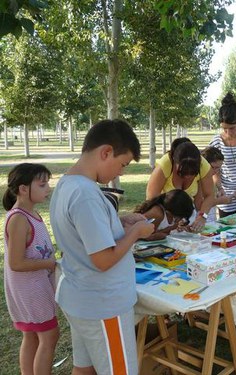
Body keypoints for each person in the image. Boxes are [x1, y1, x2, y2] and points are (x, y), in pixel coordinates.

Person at [50, 119, 155, 374]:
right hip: (103, 305)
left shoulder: (68, 184)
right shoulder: (85, 193)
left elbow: (84, 231)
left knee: (84, 368)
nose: (121, 173)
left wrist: (120, 221)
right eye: (122, 165)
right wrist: (135, 233)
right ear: (106, 152)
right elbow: (103, 260)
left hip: (81, 300)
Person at [3, 163, 59, 375]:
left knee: (33, 335)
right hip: (31, 290)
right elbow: (16, 263)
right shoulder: (19, 219)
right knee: (49, 336)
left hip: (34, 287)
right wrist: (50, 263)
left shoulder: (32, 214)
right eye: (43, 185)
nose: (48, 189)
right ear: (24, 189)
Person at [146, 138, 215, 232]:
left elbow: (210, 195)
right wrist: (172, 220)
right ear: (175, 161)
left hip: (185, 213)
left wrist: (202, 216)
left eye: (193, 173)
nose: (188, 176)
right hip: (163, 216)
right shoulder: (165, 165)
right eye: (183, 172)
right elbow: (152, 199)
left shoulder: (204, 166)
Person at [200, 146, 233, 222]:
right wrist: (219, 201)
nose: (215, 171)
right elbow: (199, 205)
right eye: (213, 167)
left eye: (219, 168)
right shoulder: (199, 180)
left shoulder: (209, 178)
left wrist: (217, 194)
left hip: (209, 220)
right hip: (199, 222)